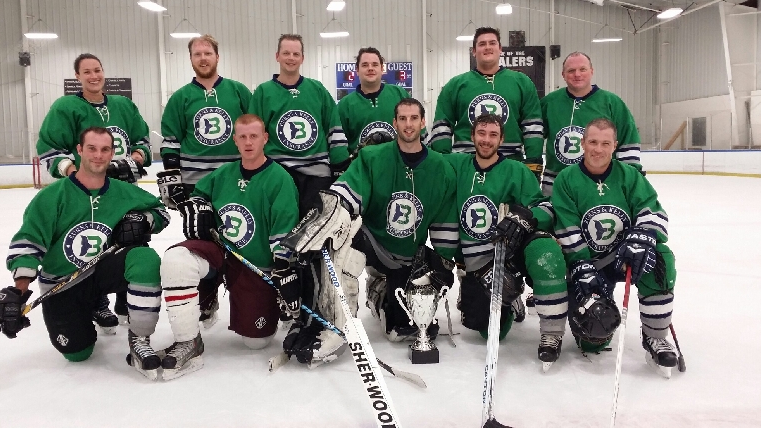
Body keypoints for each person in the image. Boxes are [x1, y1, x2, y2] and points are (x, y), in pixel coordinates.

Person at [282, 98, 458, 367]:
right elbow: (343, 196)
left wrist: (444, 262)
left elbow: (445, 222)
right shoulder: (373, 157)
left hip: (407, 256)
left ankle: (380, 292)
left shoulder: (442, 169)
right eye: (402, 118)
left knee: (400, 332)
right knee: (343, 241)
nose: (408, 124)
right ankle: (338, 327)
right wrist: (322, 222)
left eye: (414, 118)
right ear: (394, 123)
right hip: (372, 241)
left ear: (423, 122)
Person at [1, 127, 169, 380]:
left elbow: (161, 212)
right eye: (92, 148)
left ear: (112, 153)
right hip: (64, 281)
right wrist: (19, 292)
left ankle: (139, 340)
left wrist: (143, 220)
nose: (98, 155)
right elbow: (29, 242)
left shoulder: (124, 191)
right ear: (79, 150)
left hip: (102, 269)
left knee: (145, 259)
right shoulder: (52, 197)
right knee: (77, 353)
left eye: (105, 149)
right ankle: (88, 308)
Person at [157, 114, 300, 380]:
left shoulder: (279, 179)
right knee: (177, 260)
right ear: (235, 140)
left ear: (265, 138)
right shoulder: (223, 174)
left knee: (256, 342)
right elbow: (199, 197)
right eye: (242, 136)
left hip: (256, 266)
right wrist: (197, 207)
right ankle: (189, 338)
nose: (248, 142)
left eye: (254, 136)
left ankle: (267, 304)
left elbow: (284, 230)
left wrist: (282, 270)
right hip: (221, 253)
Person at [36, 53, 153, 332]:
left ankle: (127, 299)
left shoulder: (123, 105)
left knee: (132, 238)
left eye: (97, 70)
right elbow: (50, 149)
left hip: (125, 191)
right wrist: (74, 173)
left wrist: (135, 159)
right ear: (77, 76)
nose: (93, 76)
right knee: (93, 244)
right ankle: (96, 301)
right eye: (86, 72)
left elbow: (142, 140)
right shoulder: (66, 107)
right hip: (87, 195)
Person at [551, 118, 678, 375]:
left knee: (661, 258)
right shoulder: (566, 179)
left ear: (615, 145)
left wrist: (643, 234)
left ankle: (655, 337)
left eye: (605, 143)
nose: (598, 149)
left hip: (625, 258)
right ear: (583, 143)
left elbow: (652, 210)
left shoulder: (629, 176)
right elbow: (567, 226)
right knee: (592, 340)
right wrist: (581, 265)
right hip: (590, 265)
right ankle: (598, 313)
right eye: (593, 142)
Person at [446, 113, 568, 368]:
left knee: (544, 248)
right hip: (476, 264)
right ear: (472, 136)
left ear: (501, 139)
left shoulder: (516, 170)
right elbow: (422, 161)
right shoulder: (456, 165)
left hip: (507, 255)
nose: (486, 140)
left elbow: (546, 209)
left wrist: (525, 217)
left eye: (493, 135)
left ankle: (548, 330)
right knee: (488, 331)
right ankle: (510, 301)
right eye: (481, 133)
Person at [158, 34, 253, 327]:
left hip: (234, 180)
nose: (203, 58)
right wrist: (174, 179)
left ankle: (246, 295)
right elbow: (171, 141)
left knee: (242, 235)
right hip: (195, 184)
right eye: (197, 54)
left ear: (217, 57)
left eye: (207, 53)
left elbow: (253, 129)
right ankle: (207, 294)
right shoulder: (181, 97)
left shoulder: (238, 91)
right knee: (201, 241)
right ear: (191, 59)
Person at [249, 33, 349, 217]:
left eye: (296, 54)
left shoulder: (317, 89)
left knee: (315, 228)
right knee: (281, 224)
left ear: (302, 58)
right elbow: (253, 134)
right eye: (286, 53)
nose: (291, 58)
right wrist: (254, 168)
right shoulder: (264, 92)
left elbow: (333, 127)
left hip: (316, 174)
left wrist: (340, 165)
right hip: (278, 172)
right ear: (277, 56)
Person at [428, 27, 543, 179]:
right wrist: (444, 161)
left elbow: (532, 126)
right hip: (465, 165)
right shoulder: (455, 85)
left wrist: (533, 162)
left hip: (510, 164)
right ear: (474, 51)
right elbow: (442, 126)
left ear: (500, 49)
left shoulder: (522, 82)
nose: (487, 47)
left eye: (492, 43)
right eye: (482, 44)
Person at [540, 51, 642, 197]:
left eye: (582, 69)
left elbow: (628, 142)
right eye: (571, 70)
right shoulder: (549, 103)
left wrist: (630, 178)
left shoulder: (612, 103)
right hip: (556, 184)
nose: (577, 74)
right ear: (563, 75)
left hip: (601, 185)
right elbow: (534, 138)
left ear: (591, 71)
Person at [337, 47, 410, 154]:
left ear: (382, 69)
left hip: (398, 162)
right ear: (357, 70)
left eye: (375, 64)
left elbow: (416, 129)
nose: (370, 68)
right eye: (365, 65)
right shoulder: (345, 105)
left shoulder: (400, 94)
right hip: (361, 163)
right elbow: (339, 146)